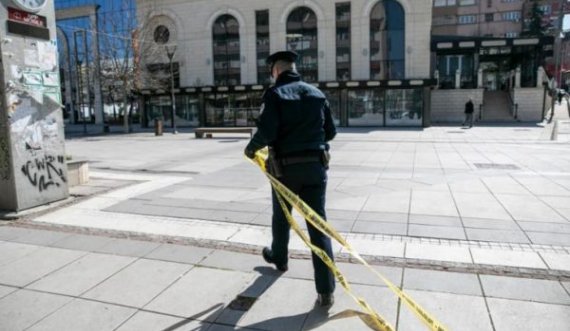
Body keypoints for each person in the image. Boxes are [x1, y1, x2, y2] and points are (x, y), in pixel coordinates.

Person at [244, 50, 337, 307]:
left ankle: (280, 258)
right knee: (319, 226)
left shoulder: (274, 94)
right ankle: (326, 290)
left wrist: (251, 149)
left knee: (282, 215)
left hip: (284, 170)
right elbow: (331, 132)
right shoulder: (317, 94)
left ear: (276, 70)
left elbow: (267, 131)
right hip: (316, 169)